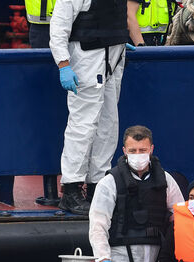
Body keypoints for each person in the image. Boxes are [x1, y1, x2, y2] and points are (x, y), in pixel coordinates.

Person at [50, 0, 138, 215]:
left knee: (108, 124)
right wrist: (63, 64)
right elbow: (59, 26)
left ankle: (97, 184)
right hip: (87, 59)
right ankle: (71, 188)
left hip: (112, 56)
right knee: (83, 124)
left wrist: (117, 40)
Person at [88, 126, 183, 262]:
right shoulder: (110, 182)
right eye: (132, 151)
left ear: (152, 149)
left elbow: (180, 216)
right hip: (121, 259)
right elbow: (98, 224)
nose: (138, 155)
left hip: (156, 260)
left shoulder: (165, 180)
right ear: (124, 151)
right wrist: (103, 260)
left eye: (142, 150)